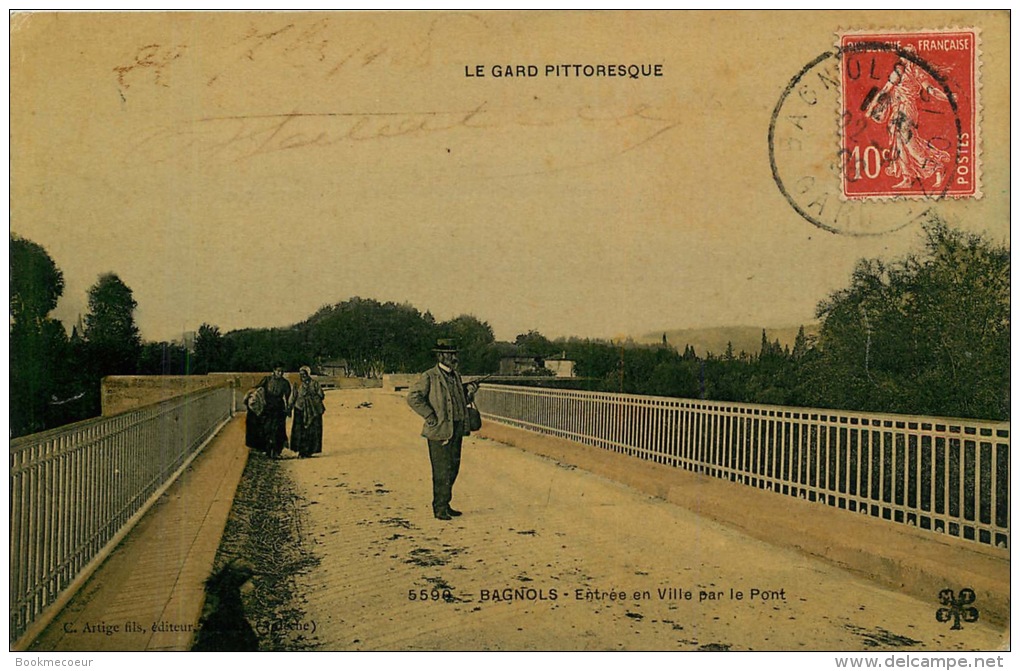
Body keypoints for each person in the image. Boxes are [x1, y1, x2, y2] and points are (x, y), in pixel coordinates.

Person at [407, 339, 480, 521]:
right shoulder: (429, 376)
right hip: (439, 430)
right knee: (441, 471)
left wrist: (470, 392)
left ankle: (445, 504)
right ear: (440, 356)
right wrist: (430, 416)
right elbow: (413, 397)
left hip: (456, 428)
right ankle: (439, 508)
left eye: (455, 354)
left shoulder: (456, 376)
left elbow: (458, 399)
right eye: (450, 354)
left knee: (453, 468)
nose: (454, 358)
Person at [864, 46, 951, 189]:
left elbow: (930, 90)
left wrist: (948, 97)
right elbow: (885, 90)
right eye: (902, 56)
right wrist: (872, 107)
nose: (902, 58)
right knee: (899, 143)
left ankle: (935, 167)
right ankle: (907, 177)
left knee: (909, 143)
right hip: (896, 110)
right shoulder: (898, 71)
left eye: (905, 56)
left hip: (907, 109)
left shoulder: (917, 71)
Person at [289, 365, 326, 458]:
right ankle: (301, 451)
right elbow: (293, 396)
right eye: (301, 374)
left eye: (304, 374)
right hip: (299, 409)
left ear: (308, 374)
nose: (303, 376)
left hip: (312, 410)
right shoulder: (297, 384)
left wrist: (312, 399)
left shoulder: (314, 383)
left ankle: (309, 450)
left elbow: (321, 395)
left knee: (311, 431)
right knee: (300, 430)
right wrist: (289, 407)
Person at [255, 365, 292, 458]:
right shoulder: (267, 380)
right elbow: (258, 390)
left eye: (282, 371)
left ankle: (276, 451)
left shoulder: (285, 383)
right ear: (274, 371)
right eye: (278, 371)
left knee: (278, 430)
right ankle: (267, 450)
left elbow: (288, 397)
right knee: (267, 428)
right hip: (268, 407)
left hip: (279, 408)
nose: (280, 373)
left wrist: (288, 409)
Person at [243, 386, 266, 453]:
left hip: (253, 414)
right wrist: (258, 412)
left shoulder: (255, 395)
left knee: (254, 430)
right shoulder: (255, 395)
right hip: (253, 414)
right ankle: (254, 446)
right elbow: (254, 404)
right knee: (253, 430)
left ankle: (254, 446)